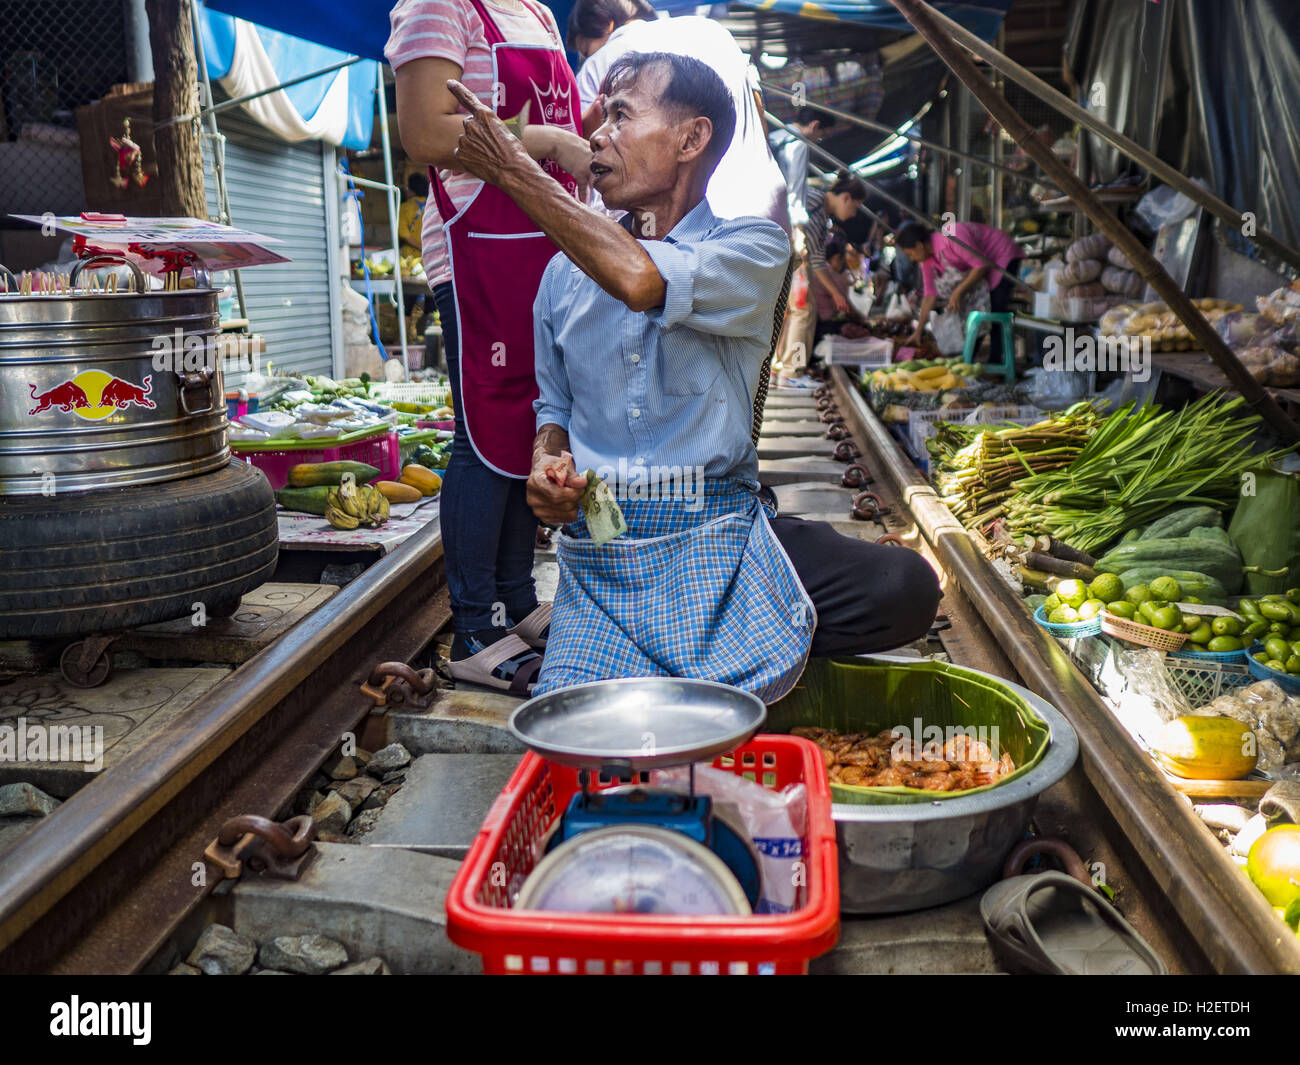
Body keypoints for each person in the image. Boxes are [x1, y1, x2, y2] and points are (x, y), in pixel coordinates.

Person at [446, 51, 940, 700]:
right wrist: (547, 468)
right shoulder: (559, 278)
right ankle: (720, 650)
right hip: (608, 538)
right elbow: (554, 406)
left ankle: (684, 645)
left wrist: (512, 170)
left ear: (691, 137)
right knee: (577, 727)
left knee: (905, 587)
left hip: (721, 530)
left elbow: (640, 279)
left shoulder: (750, 247)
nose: (596, 135)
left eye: (621, 115)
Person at [387, 0, 595, 694]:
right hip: (481, 248)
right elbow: (425, 131)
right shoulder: (439, 7)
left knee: (524, 423)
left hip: (541, 245)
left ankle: (516, 598)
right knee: (482, 430)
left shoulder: (534, 9)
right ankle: (476, 628)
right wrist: (550, 144)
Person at [566, 0, 789, 232]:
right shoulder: (712, 31)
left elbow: (582, 151)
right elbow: (758, 110)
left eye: (586, 50)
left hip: (670, 231)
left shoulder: (602, 60)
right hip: (766, 209)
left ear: (607, 24)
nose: (600, 137)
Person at [896, 220, 1021, 351]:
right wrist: (918, 332)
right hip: (983, 264)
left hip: (1001, 254)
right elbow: (929, 295)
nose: (911, 259)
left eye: (910, 254)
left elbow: (981, 266)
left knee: (996, 307)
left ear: (919, 245)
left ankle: (997, 362)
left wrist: (957, 293)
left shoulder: (951, 237)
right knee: (968, 312)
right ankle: (969, 355)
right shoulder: (926, 260)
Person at [769, 107, 836, 229]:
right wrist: (798, 228)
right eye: (822, 136)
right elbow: (795, 190)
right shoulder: (798, 144)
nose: (818, 141)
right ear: (815, 126)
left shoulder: (774, 136)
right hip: (778, 219)